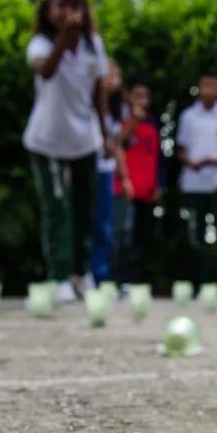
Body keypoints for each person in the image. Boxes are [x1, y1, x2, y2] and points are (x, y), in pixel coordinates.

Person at [22, 0, 111, 303]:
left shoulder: (93, 45)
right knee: (56, 206)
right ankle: (58, 275)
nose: (67, 12)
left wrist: (106, 135)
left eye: (74, 6)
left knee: (84, 207)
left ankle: (81, 272)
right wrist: (65, 38)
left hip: (84, 139)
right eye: (60, 5)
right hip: (46, 139)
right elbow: (46, 71)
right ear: (48, 12)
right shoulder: (40, 44)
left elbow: (98, 92)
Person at [175, 72, 217, 289]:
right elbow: (181, 149)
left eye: (214, 86)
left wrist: (214, 160)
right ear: (199, 88)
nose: (210, 90)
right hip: (194, 182)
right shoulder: (188, 116)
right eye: (206, 86)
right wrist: (190, 162)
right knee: (196, 232)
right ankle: (201, 280)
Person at [111, 78, 162, 291]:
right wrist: (134, 120)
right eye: (138, 95)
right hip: (125, 189)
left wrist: (158, 184)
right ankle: (115, 280)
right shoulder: (121, 120)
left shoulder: (153, 123)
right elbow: (117, 143)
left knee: (141, 237)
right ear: (129, 97)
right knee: (122, 236)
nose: (142, 100)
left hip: (147, 190)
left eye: (146, 96)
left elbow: (157, 157)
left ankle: (132, 280)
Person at [87, 59, 128, 288]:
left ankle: (100, 276)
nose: (113, 79)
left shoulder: (118, 108)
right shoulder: (85, 102)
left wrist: (124, 176)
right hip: (86, 168)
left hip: (105, 171)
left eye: (117, 75)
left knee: (105, 226)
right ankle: (81, 273)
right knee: (85, 222)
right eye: (109, 74)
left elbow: (117, 144)